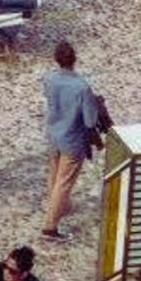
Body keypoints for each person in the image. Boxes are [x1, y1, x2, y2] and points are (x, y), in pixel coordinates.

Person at [40, 40, 100, 240]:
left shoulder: (49, 79)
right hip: (73, 139)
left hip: (54, 134)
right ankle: (50, 226)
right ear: (74, 59)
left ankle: (55, 206)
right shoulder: (82, 87)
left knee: (54, 175)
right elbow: (90, 120)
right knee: (64, 183)